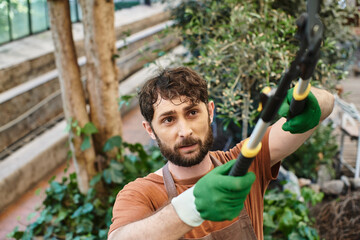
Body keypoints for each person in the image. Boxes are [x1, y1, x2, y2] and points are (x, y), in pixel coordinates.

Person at [108, 67, 334, 240]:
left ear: (210, 112)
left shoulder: (245, 162)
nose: (184, 131)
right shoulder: (140, 194)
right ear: (150, 129)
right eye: (168, 119)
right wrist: (192, 206)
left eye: (193, 112)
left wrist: (310, 102)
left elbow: (326, 102)